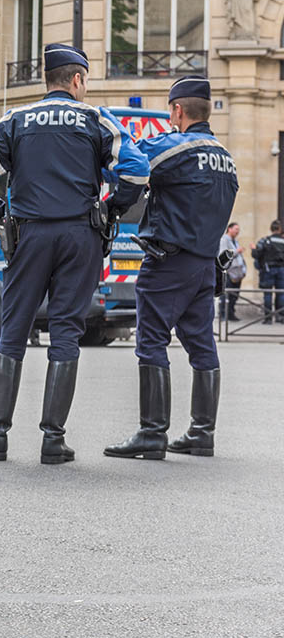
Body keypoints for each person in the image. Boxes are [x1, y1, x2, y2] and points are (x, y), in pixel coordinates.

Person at [0, 43, 150, 464]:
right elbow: (137, 170)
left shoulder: (13, 120)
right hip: (79, 235)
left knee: (12, 330)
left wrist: (0, 220)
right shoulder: (95, 119)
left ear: (47, 80)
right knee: (66, 331)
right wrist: (112, 207)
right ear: (77, 79)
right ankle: (53, 440)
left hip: (29, 235)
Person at [104, 75, 238, 460]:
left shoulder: (176, 146)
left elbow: (129, 162)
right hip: (204, 264)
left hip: (168, 262)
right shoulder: (225, 157)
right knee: (202, 345)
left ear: (177, 110)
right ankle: (201, 433)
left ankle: (152, 433)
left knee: (151, 341)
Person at [252, 220, 284, 324]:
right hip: (282, 270)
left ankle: (268, 318)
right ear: (280, 229)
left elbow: (256, 254)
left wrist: (253, 249)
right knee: (281, 294)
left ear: (271, 229)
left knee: (268, 294)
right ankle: (280, 317)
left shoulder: (265, 240)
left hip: (268, 270)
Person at [219, 222, 245, 321]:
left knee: (234, 295)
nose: (237, 231)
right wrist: (237, 251)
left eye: (238, 229)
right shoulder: (224, 239)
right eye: (236, 229)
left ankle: (231, 314)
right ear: (229, 229)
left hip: (237, 272)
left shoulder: (235, 241)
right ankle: (223, 314)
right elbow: (223, 254)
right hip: (229, 271)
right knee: (226, 294)